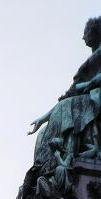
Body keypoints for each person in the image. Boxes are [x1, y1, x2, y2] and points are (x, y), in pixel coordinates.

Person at [27, 17, 101, 168]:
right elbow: (70, 94)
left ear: (95, 31)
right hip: (85, 96)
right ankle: (50, 167)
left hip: (95, 95)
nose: (83, 37)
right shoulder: (91, 60)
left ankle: (71, 155)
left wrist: (90, 83)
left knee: (68, 106)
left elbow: (78, 90)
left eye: (86, 32)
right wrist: (43, 118)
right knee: (45, 131)